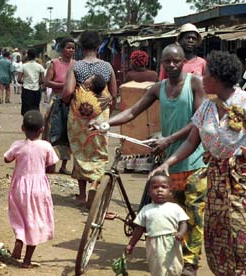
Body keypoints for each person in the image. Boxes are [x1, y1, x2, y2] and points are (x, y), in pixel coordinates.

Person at [96, 44, 206, 276]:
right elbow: (133, 111)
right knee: (173, 212)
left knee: (195, 214)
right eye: (168, 61)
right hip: (170, 163)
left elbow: (198, 121)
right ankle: (171, 257)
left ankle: (190, 264)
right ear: (161, 63)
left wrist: (169, 139)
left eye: (176, 61)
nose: (172, 65)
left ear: (184, 61)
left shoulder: (195, 84)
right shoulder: (159, 88)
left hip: (194, 160)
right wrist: (106, 122)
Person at [152, 50, 246, 275]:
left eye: (206, 75)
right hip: (214, 182)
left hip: (240, 182)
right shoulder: (207, 107)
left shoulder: (243, 102)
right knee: (217, 233)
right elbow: (192, 141)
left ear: (217, 78)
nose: (201, 78)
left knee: (240, 230)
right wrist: (168, 163)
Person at [62, 30, 117, 208]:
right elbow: (114, 94)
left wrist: (64, 100)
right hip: (100, 115)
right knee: (99, 151)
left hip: (79, 116)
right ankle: (95, 184)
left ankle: (82, 194)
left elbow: (69, 92)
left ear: (82, 47)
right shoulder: (107, 67)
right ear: (98, 46)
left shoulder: (76, 67)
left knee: (80, 150)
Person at [3, 110, 59, 268]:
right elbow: (52, 166)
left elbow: (7, 159)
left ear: (22, 128)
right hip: (38, 189)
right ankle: (27, 260)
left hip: (20, 187)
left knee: (20, 216)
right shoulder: (45, 146)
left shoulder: (18, 145)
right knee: (35, 220)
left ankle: (20, 238)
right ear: (41, 130)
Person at [126, 172, 189, 276]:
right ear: (149, 192)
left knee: (175, 267)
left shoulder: (175, 208)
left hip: (172, 242)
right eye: (155, 187)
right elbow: (139, 229)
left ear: (170, 191)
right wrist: (131, 244)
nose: (159, 190)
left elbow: (183, 223)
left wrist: (181, 233)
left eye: (164, 187)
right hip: (153, 243)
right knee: (157, 268)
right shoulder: (146, 210)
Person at [44, 37, 76, 175]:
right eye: (68, 47)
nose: (71, 50)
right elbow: (46, 82)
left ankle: (64, 165)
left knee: (68, 133)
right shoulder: (54, 63)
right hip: (56, 100)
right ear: (62, 49)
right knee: (52, 132)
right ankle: (50, 164)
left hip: (71, 102)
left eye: (73, 48)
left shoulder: (76, 64)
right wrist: (63, 86)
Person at [18, 48, 45, 115]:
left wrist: (25, 82)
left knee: (26, 109)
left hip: (26, 90)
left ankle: (27, 122)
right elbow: (42, 80)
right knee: (35, 108)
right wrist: (36, 83)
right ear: (35, 56)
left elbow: (19, 80)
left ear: (28, 56)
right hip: (36, 90)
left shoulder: (23, 66)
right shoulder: (40, 67)